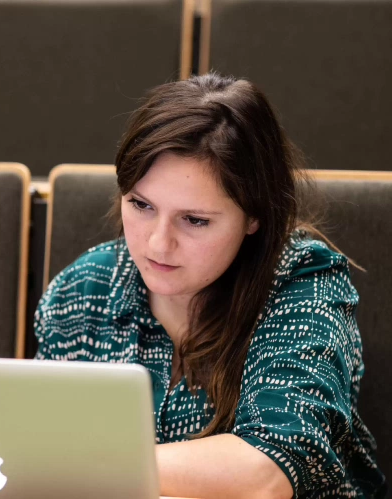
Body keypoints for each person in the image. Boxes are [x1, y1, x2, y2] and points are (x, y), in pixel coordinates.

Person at [33, 73, 387, 498]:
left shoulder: (304, 282)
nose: (158, 243)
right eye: (141, 205)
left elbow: (266, 473)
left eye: (195, 220)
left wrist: (73, 460)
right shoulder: (82, 290)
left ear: (255, 217)